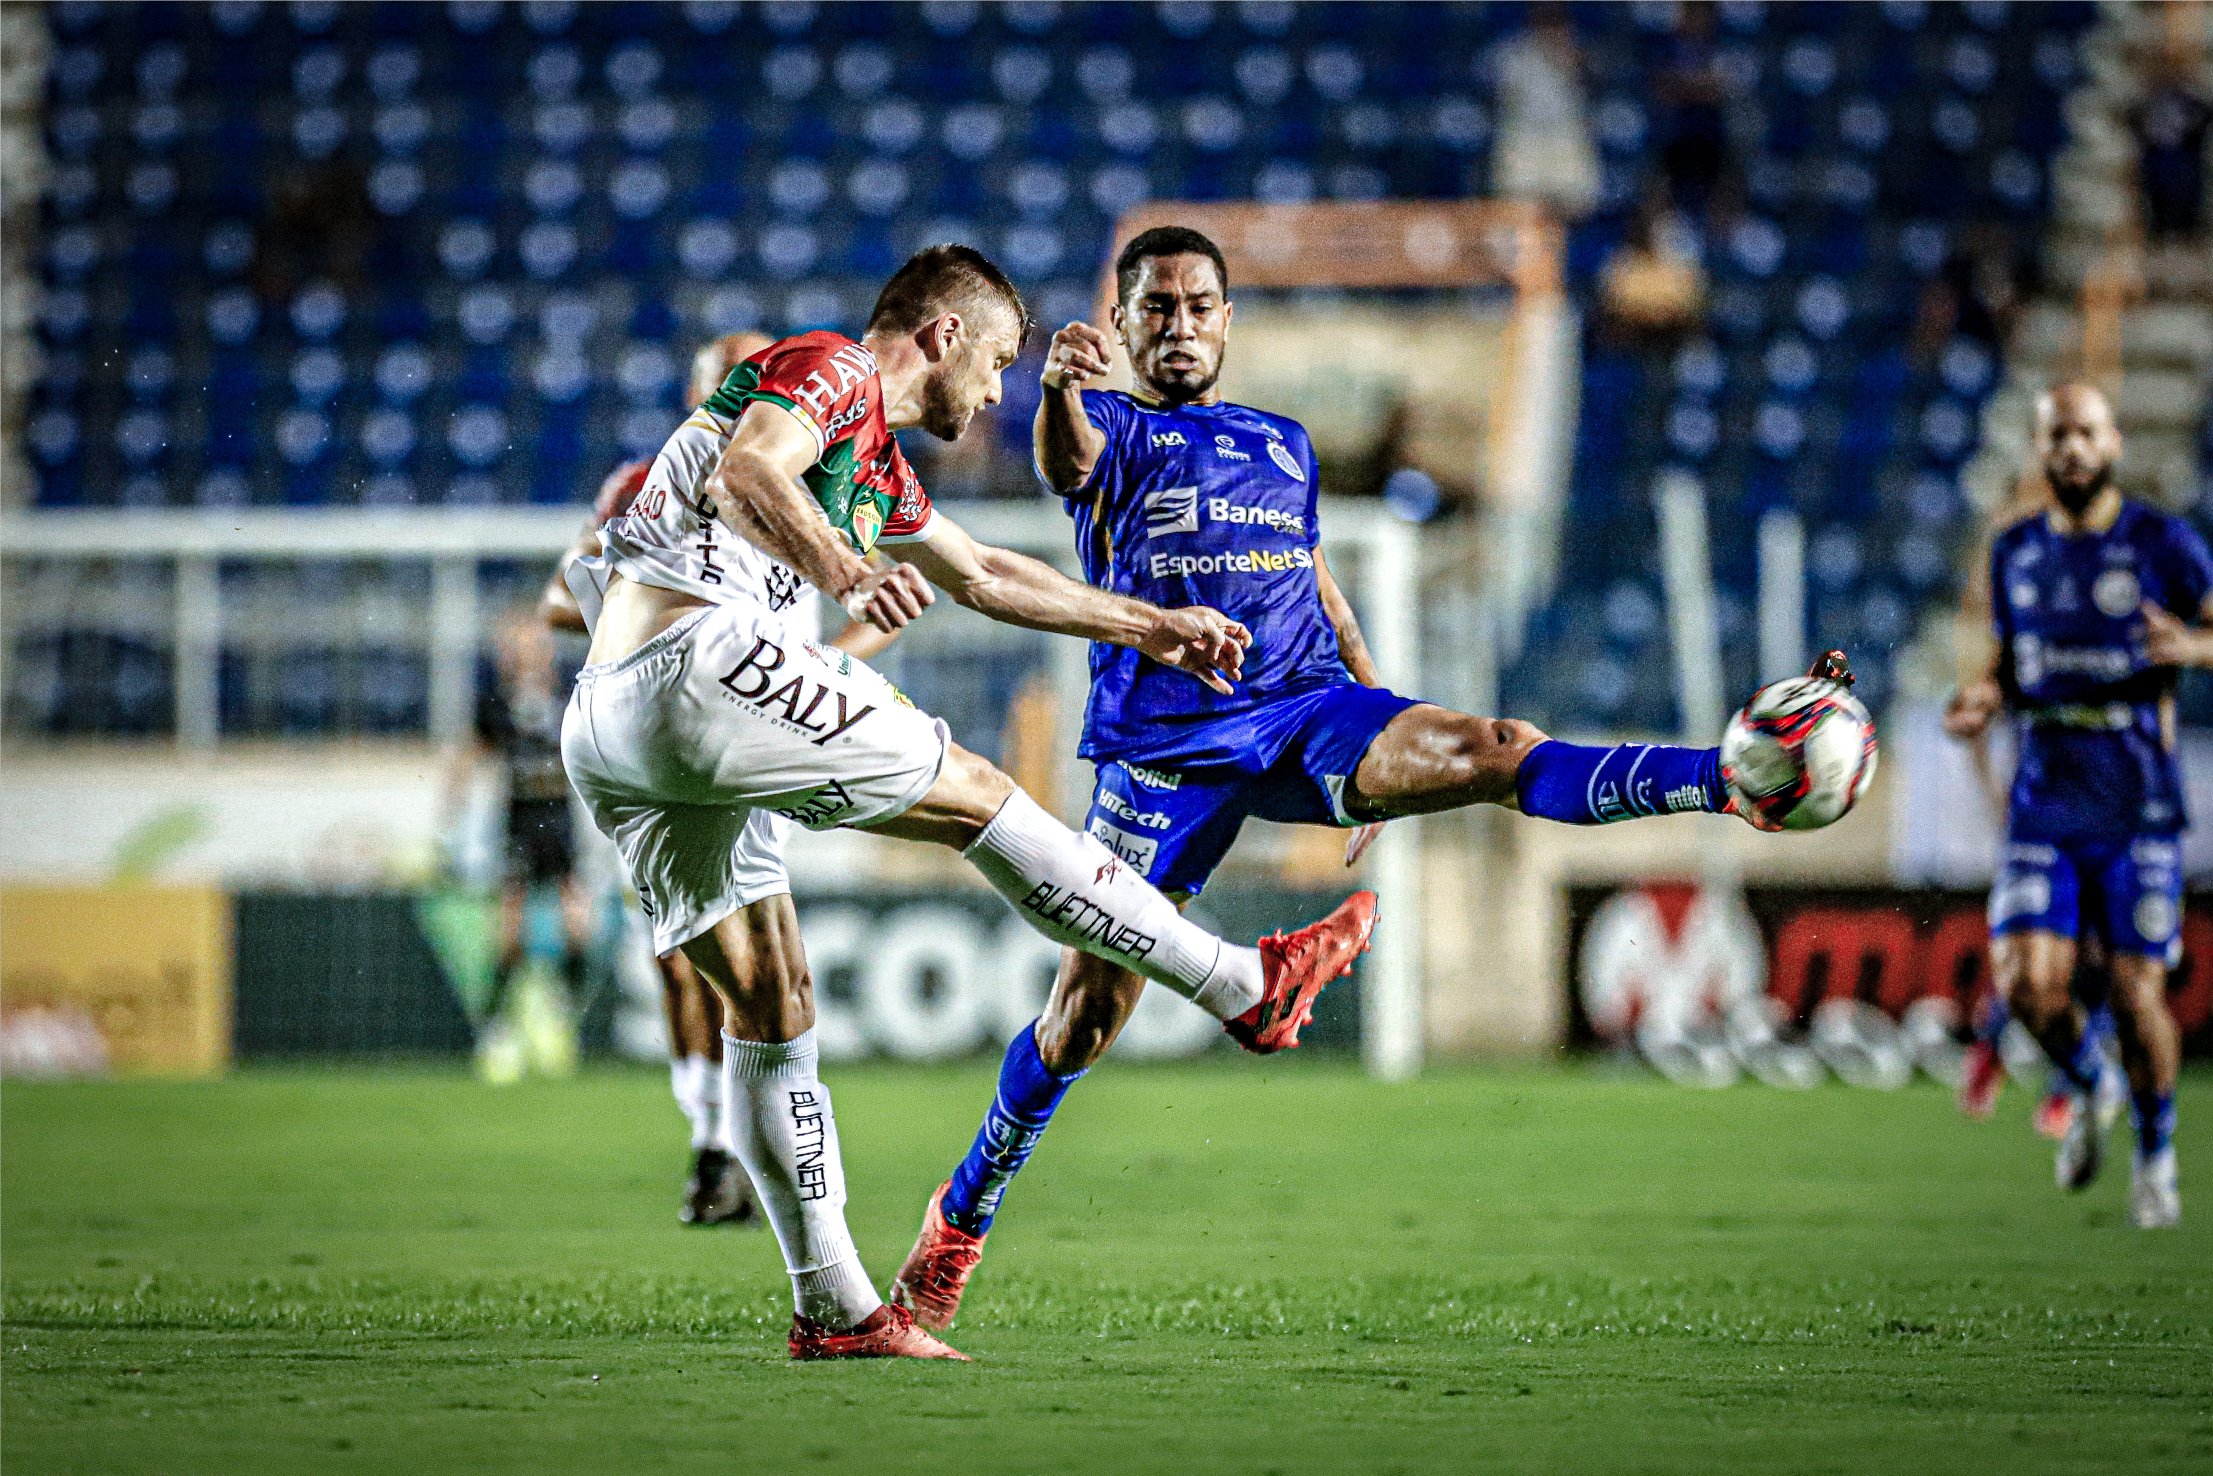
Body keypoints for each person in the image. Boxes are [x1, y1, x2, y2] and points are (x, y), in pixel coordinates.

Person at [888, 226, 1835, 1330]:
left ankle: (1728, 778)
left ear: (1228, 321)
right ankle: (958, 1219)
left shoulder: (1282, 443)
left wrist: (1376, 709)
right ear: (1126, 320)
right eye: (1156, 309)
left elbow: (1319, 582)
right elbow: (1064, 468)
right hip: (1167, 750)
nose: (1179, 326)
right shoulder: (1109, 426)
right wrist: (1055, 389)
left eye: (1199, 307)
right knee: (1081, 1021)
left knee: (1490, 744)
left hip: (1307, 714)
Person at [559, 243, 1378, 1361]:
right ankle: (1240, 983)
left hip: (612, 726)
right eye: (994, 363)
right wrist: (848, 575)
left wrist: (1152, 625)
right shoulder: (832, 370)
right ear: (940, 337)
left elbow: (987, 574)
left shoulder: (875, 464)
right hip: (691, 661)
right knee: (979, 794)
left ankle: (837, 1308)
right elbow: (748, 471)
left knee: (772, 994)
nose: (996, 392)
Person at [541, 332, 897, 1229]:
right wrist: (638, 606)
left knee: (758, 968)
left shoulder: (818, 482)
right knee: (681, 958)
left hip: (754, 717)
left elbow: (860, 612)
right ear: (704, 393)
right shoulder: (649, 482)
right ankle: (711, 1143)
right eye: (730, 375)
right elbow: (558, 597)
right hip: (660, 711)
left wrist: (818, 667)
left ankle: (749, 1160)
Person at [1945, 382, 2208, 1229]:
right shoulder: (2015, 548)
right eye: (2056, 434)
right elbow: (2005, 656)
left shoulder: (2164, 543)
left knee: (2137, 993)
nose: (2070, 448)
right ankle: (2088, 1083)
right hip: (2044, 798)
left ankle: (2156, 1158)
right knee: (2026, 986)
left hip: (2136, 804)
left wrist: (2194, 648)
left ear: (2114, 443)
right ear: (2038, 446)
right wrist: (1984, 695)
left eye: (2084, 433)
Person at [464, 606, 592, 1081]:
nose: (527, 650)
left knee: (578, 926)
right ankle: (495, 1031)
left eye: (535, 641)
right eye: (517, 643)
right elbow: (472, 756)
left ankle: (562, 1017)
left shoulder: (568, 693)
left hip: (561, 823)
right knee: (509, 933)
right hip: (519, 823)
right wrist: (450, 824)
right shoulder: (496, 702)